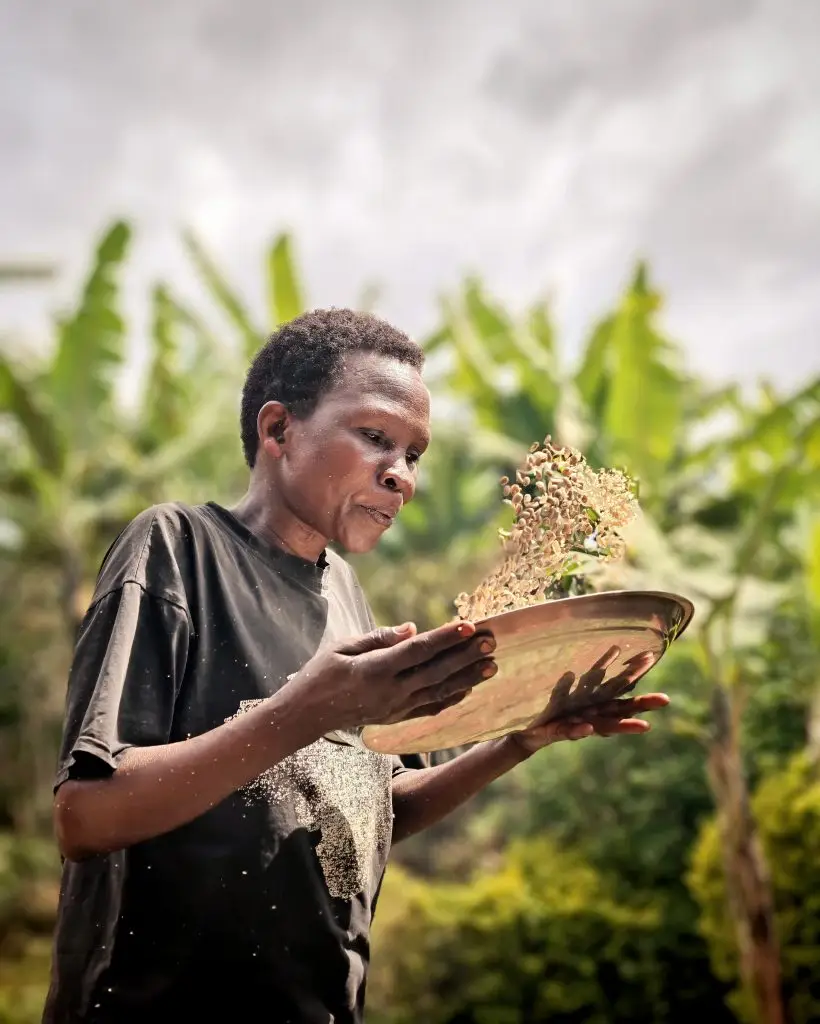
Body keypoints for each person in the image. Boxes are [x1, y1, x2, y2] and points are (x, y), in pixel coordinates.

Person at [43, 309, 668, 1024]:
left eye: (414, 454)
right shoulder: (178, 550)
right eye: (375, 437)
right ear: (278, 430)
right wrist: (312, 708)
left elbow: (368, 816)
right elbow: (84, 816)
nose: (400, 475)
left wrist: (520, 739)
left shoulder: (345, 597)